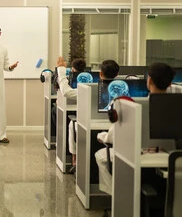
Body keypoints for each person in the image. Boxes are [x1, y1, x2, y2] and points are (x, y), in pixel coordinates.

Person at [95, 62, 175, 195]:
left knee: (101, 155)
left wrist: (101, 136)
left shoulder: (134, 107)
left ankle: (118, 198)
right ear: (170, 84)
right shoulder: (175, 107)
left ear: (149, 80)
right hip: (170, 157)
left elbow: (112, 138)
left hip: (137, 155)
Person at [60, 58, 120, 173]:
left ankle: (75, 160)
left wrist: (61, 71)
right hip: (114, 129)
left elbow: (66, 92)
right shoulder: (123, 91)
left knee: (73, 125)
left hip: (93, 127)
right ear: (117, 74)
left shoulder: (90, 89)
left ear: (100, 74)